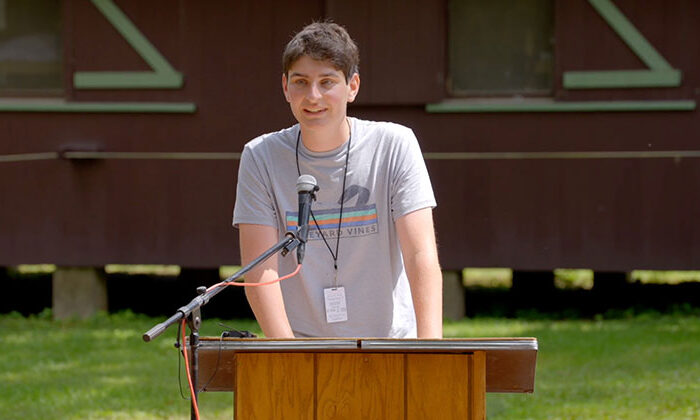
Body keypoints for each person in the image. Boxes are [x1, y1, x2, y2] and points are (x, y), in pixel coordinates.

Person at [233, 21, 442, 338]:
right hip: (302, 349)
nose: (313, 96)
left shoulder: (395, 145)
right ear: (285, 87)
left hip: (392, 345)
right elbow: (261, 270)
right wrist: (287, 356)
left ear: (353, 86)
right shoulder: (260, 156)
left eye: (327, 82)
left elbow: (420, 255)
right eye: (301, 82)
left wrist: (431, 351)